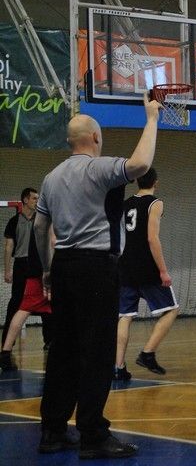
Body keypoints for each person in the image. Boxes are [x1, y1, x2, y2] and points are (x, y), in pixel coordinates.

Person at [33, 93, 161, 458]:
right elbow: (140, 164)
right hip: (96, 268)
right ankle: (93, 435)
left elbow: (40, 228)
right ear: (95, 138)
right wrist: (151, 119)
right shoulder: (99, 168)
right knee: (98, 352)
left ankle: (52, 431)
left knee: (63, 351)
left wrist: (46, 269)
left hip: (63, 266)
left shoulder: (51, 177)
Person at [114, 167, 179, 381]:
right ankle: (147, 353)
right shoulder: (155, 203)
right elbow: (152, 238)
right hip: (146, 265)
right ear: (156, 182)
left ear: (136, 181)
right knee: (171, 310)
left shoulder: (126, 204)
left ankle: (118, 366)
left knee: (125, 316)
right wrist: (163, 270)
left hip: (125, 264)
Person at [2, 187, 52, 350]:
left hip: (39, 265)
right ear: (25, 200)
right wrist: (7, 270)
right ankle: (7, 342)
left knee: (45, 302)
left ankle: (49, 340)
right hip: (21, 265)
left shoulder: (41, 220)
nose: (37, 201)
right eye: (34, 198)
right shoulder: (14, 221)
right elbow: (9, 246)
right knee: (16, 303)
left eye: (38, 198)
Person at [0, 228, 53, 371]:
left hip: (34, 269)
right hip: (46, 271)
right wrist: (48, 270)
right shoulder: (50, 219)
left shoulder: (37, 221)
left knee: (24, 308)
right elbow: (52, 241)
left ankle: (5, 353)